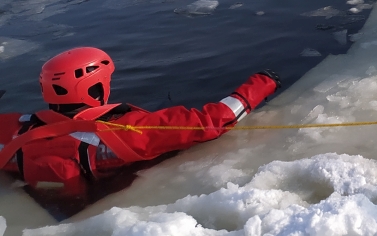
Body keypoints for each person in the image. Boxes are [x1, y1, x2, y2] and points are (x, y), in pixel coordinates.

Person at [0, 47, 278, 199]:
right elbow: (214, 121)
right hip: (110, 195)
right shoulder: (128, 132)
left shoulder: (14, 130)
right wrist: (264, 82)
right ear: (95, 87)